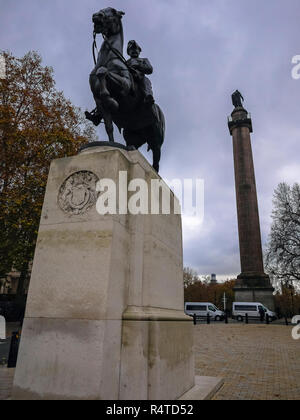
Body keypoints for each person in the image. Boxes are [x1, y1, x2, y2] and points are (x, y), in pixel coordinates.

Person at [126, 40, 155, 105]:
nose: (134, 51)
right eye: (131, 49)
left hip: (140, 77)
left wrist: (138, 65)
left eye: (136, 49)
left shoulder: (144, 60)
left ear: (139, 51)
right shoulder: (126, 62)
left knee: (145, 80)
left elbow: (150, 69)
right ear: (128, 52)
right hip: (128, 78)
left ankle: (148, 96)